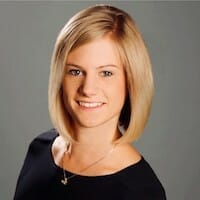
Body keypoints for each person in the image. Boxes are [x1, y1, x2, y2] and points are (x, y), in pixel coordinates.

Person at [14, 4, 166, 200]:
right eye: (75, 71)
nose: (88, 89)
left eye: (106, 73)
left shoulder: (141, 191)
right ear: (60, 77)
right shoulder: (40, 149)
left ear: (132, 82)